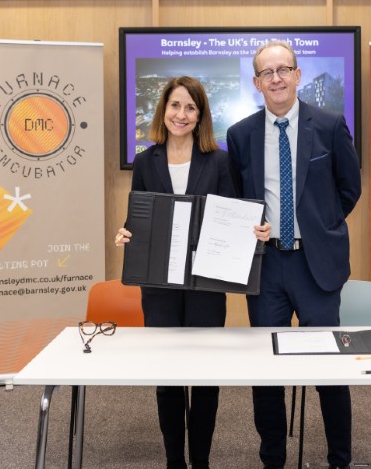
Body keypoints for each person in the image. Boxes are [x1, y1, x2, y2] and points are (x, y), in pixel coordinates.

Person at [115, 76, 270, 469]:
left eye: (190, 108)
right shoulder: (146, 160)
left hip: (206, 285)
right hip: (159, 287)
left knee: (204, 377)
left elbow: (233, 215)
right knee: (167, 379)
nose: (181, 115)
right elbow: (142, 216)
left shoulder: (218, 160)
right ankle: (174, 462)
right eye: (174, 106)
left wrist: (255, 230)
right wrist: (127, 232)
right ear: (162, 110)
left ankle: (199, 461)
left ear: (200, 115)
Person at [226, 41, 362, 469]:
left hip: (316, 266)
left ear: (298, 75)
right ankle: (273, 459)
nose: (277, 78)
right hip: (266, 269)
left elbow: (349, 189)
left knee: (330, 372)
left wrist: (318, 227)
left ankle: (339, 459)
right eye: (268, 73)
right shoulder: (241, 134)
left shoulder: (330, 124)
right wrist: (252, 225)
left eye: (285, 69)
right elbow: (237, 198)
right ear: (256, 83)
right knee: (266, 372)